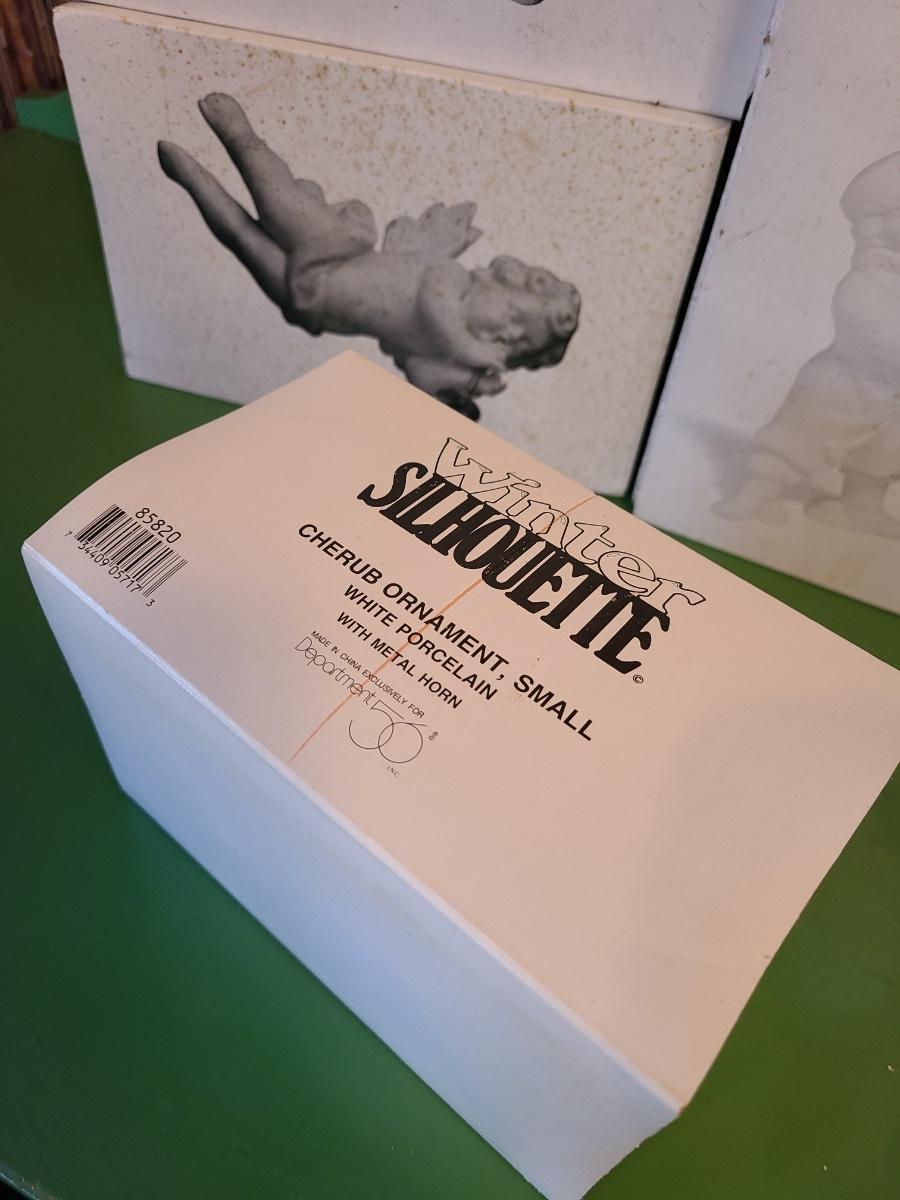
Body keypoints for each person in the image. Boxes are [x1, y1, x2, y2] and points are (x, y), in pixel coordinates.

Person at [159, 93, 580, 419]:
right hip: (337, 250)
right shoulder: (450, 276)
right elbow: (434, 299)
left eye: (514, 341)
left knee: (239, 235)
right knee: (279, 201)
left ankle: (192, 177)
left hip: (315, 304)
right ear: (500, 280)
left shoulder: (430, 346)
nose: (504, 334)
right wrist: (466, 348)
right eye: (513, 315)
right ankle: (240, 137)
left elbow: (420, 374)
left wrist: (459, 389)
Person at [714, 150, 900, 538]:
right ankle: (754, 495)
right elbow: (869, 328)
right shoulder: (868, 280)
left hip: (891, 399)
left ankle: (859, 506)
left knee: (884, 453)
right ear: (878, 226)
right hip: (845, 384)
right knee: (799, 438)